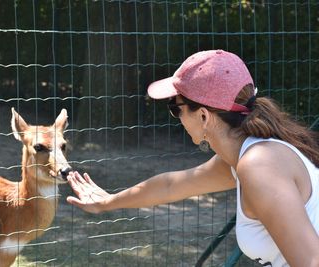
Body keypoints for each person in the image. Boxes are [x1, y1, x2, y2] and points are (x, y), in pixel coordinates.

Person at [66, 49, 319, 266]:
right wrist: (107, 202)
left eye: (176, 108)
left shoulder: (259, 166)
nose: (176, 116)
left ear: (203, 116)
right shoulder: (242, 156)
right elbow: (171, 186)